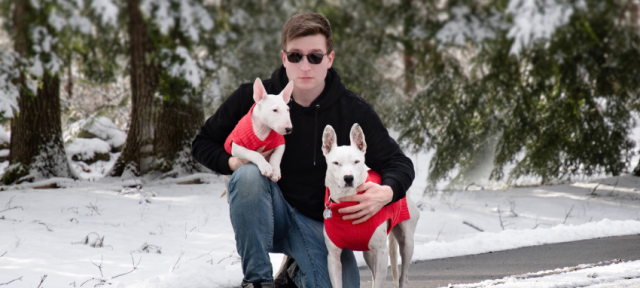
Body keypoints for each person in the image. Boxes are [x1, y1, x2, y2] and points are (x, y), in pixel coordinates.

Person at [192, 12, 414, 288]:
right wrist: (235, 163)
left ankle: (295, 272)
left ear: (330, 59)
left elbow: (399, 164)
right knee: (248, 176)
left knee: (341, 283)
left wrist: (386, 192)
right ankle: (257, 280)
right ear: (284, 58)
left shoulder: (352, 109)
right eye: (296, 56)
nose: (305, 65)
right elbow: (202, 144)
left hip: (320, 225)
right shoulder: (257, 99)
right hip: (268, 213)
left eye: (315, 56)